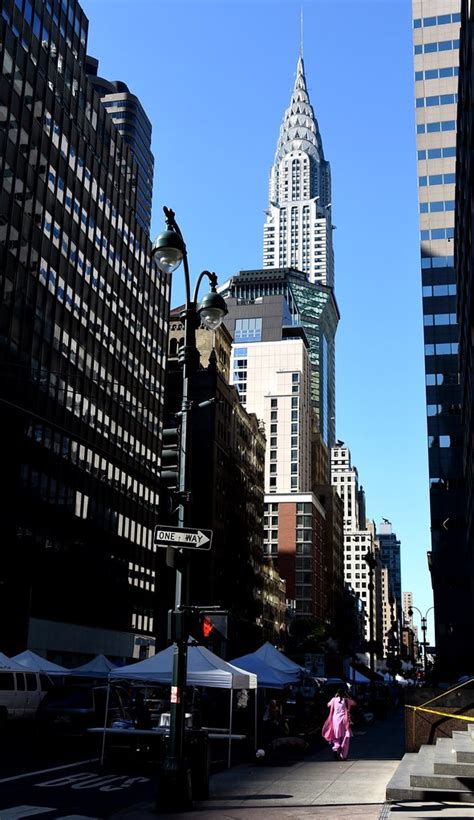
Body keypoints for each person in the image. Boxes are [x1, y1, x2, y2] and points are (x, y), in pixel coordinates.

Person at [322, 687, 356, 760]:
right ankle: (343, 755)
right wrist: (348, 696)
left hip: (335, 720)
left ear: (337, 693)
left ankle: (335, 748)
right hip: (344, 720)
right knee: (345, 737)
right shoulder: (346, 700)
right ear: (344, 693)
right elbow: (354, 703)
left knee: (336, 736)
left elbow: (328, 705)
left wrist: (335, 697)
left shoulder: (334, 699)